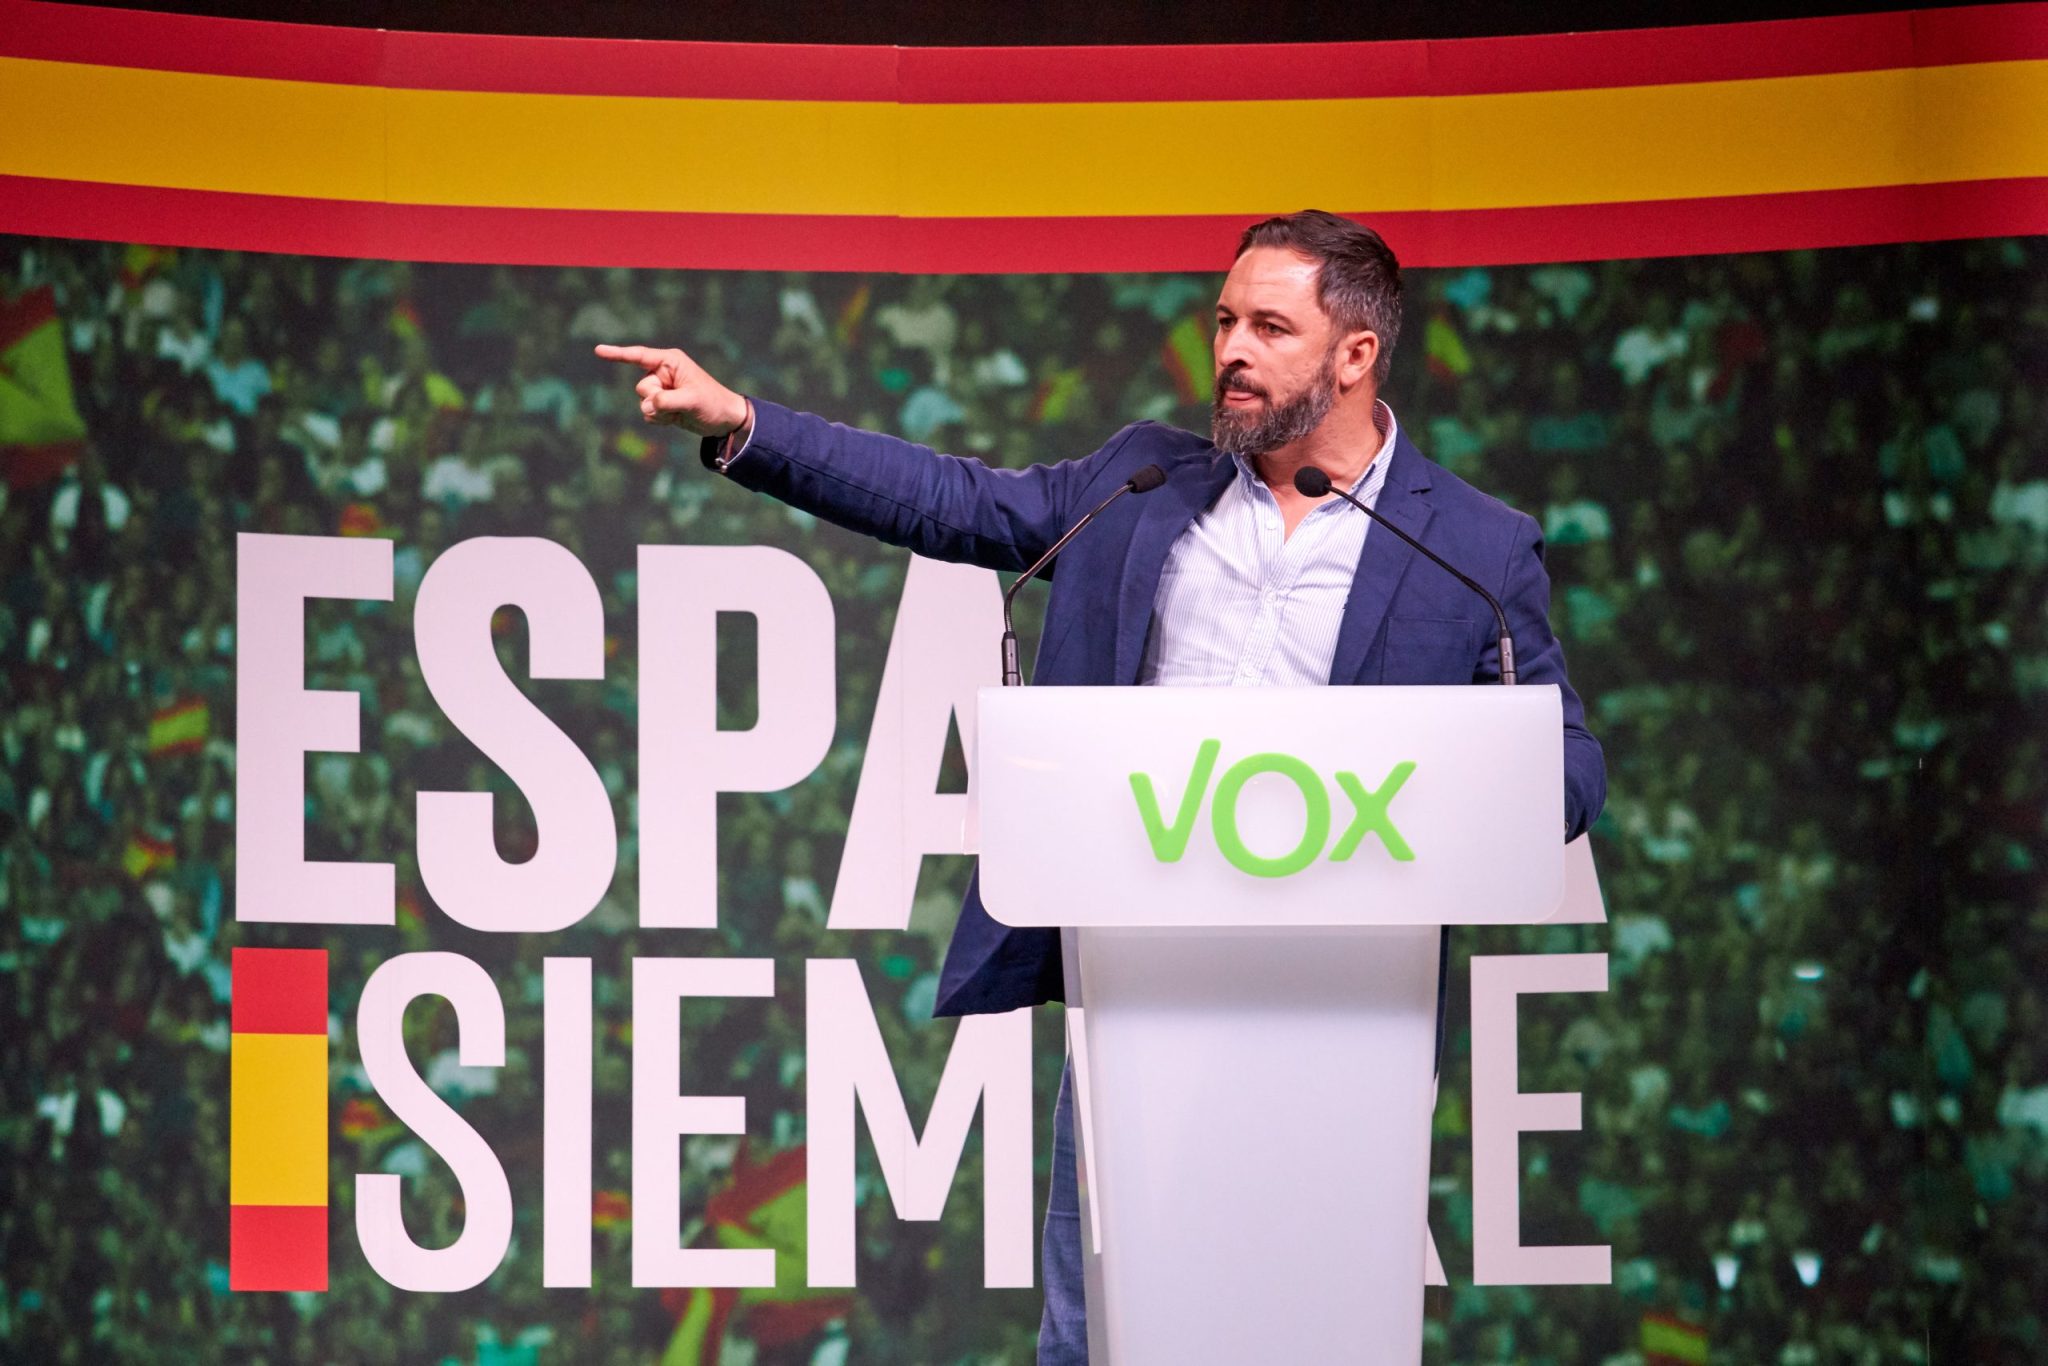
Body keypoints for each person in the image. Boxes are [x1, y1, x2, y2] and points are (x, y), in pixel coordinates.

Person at [599, 210, 1605, 1364]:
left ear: (1353, 355)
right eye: (1223, 320)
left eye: (1268, 327)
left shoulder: (1470, 544)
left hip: (1341, 1010)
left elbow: (1567, 764)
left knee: (1306, 1330)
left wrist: (1451, 790)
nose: (1230, 349)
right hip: (1141, 994)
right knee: (1098, 1334)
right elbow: (954, 501)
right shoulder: (1143, 484)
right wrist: (745, 422)